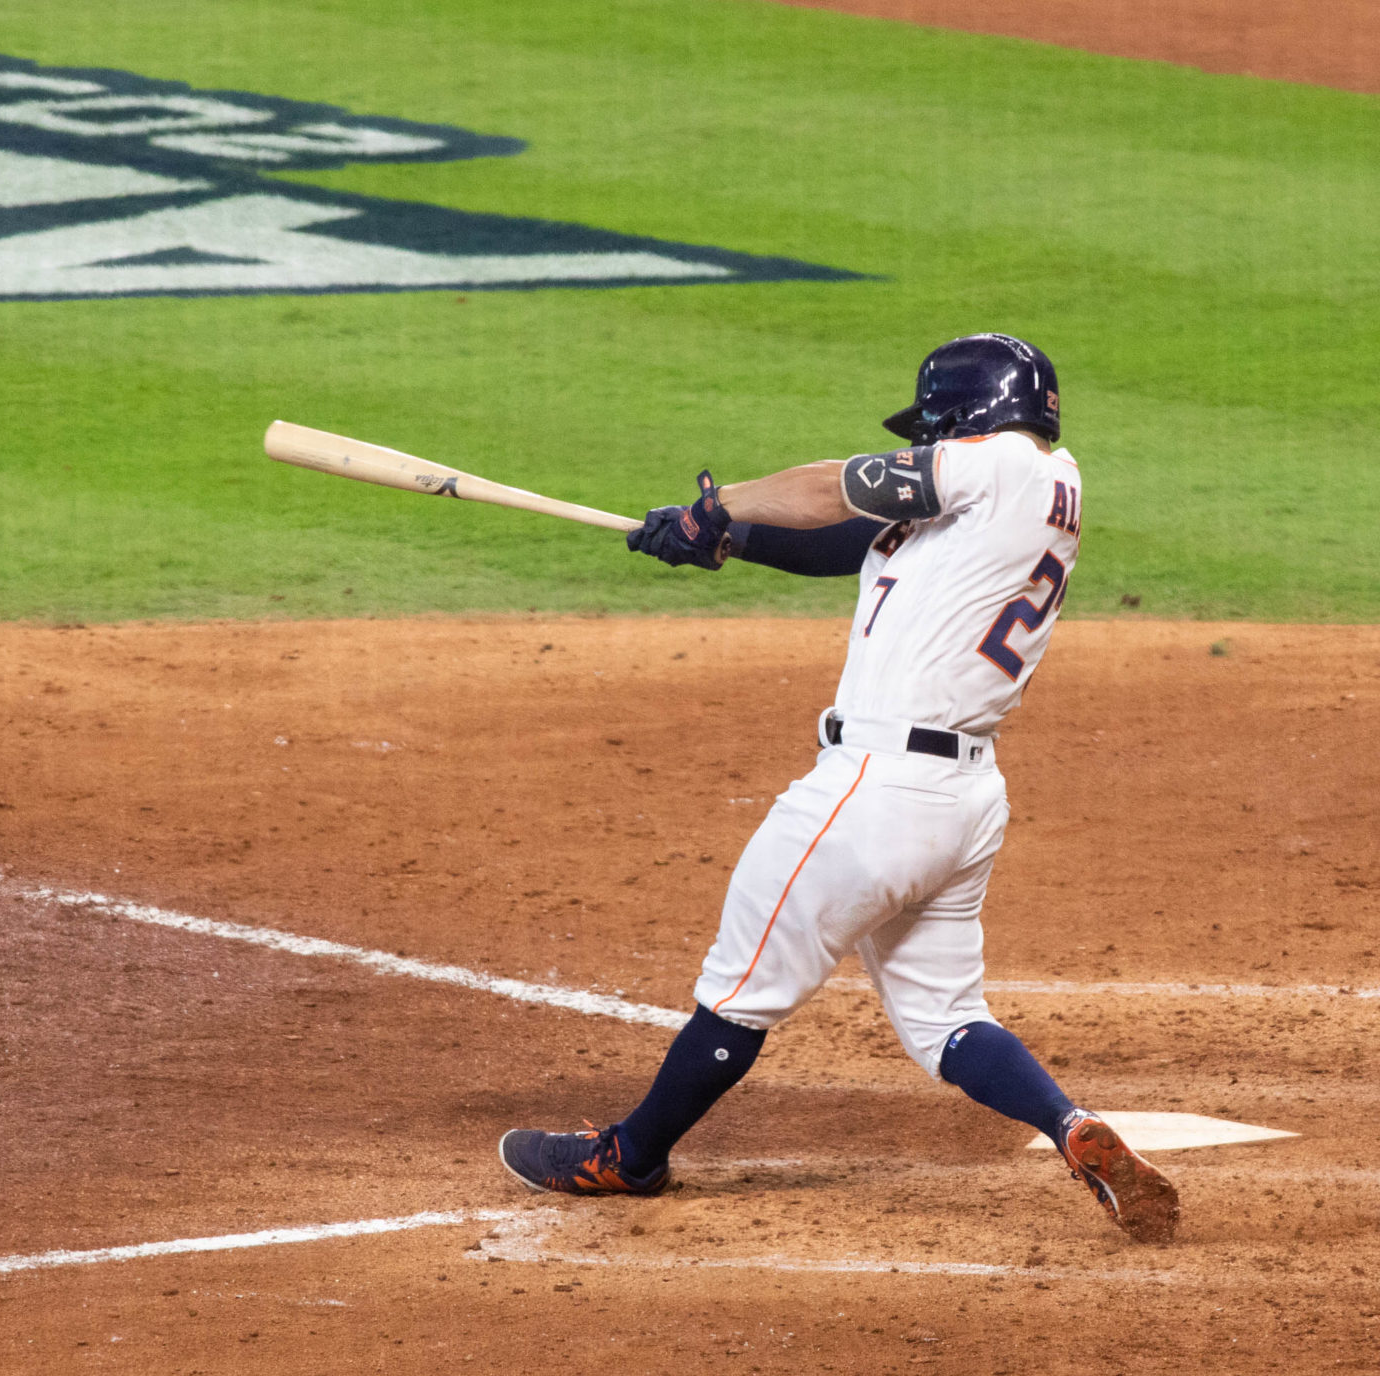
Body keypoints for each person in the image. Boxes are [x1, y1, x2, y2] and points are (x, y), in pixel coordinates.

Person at [497, 334, 1180, 1244]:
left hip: (872, 792)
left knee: (739, 990)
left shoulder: (989, 467)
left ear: (963, 417)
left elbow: (834, 486)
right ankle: (1070, 1126)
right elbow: (852, 541)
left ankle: (630, 1156)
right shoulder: (1043, 486)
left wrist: (718, 502)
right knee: (947, 1019)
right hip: (962, 800)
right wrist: (724, 540)